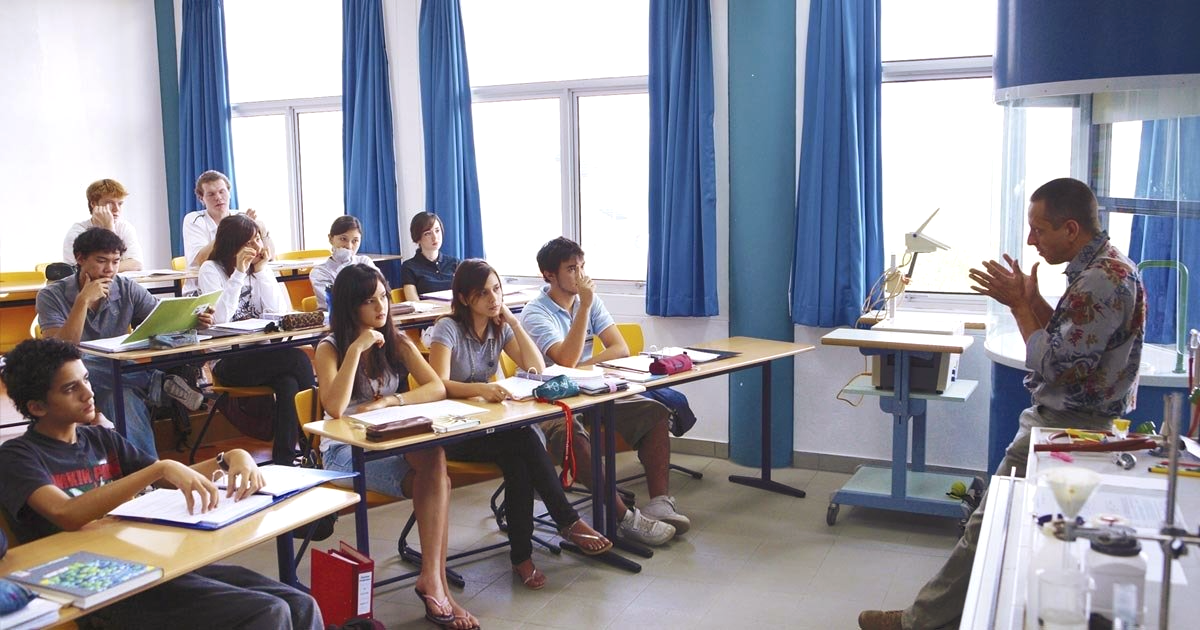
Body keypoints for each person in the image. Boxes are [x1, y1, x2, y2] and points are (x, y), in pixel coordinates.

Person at [858, 178, 1146, 630]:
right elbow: (1069, 340)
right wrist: (1033, 300)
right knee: (999, 523)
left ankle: (919, 622)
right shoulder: (1108, 267)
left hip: (1067, 424)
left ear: (1071, 229)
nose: (1031, 240)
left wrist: (1018, 306)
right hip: (1074, 420)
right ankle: (951, 615)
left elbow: (1057, 365)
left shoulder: (1100, 280)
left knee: (989, 523)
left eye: (1040, 230)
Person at [0, 338, 322, 629]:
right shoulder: (17, 457)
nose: (88, 393)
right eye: (71, 389)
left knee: (299, 603)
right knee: (268, 612)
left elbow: (175, 477)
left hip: (146, 565)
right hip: (96, 590)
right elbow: (66, 513)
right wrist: (159, 469)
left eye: (86, 379)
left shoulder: (99, 439)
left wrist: (232, 457)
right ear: (37, 406)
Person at [428, 259, 614, 589]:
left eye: (496, 290)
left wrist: (513, 321)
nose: (493, 298)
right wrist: (480, 389)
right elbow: (438, 385)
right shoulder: (448, 328)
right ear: (465, 298)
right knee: (524, 441)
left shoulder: (498, 328)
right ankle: (565, 522)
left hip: (490, 427)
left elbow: (536, 367)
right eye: (483, 293)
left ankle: (523, 556)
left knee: (519, 460)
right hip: (455, 430)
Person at [315, 264, 477, 630]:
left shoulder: (396, 340)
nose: (381, 307)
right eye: (369, 301)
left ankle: (432, 580)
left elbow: (436, 386)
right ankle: (436, 585)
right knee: (438, 481)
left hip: (387, 439)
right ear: (350, 305)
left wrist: (393, 401)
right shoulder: (330, 348)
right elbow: (335, 408)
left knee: (434, 457)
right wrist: (356, 349)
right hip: (345, 453)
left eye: (383, 297)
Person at [520, 237, 685, 546]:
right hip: (547, 401)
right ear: (549, 275)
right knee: (571, 432)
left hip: (587, 389)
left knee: (653, 411)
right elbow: (565, 360)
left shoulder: (588, 300)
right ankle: (626, 518)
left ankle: (660, 502)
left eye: (582, 267)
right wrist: (584, 307)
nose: (581, 276)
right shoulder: (535, 313)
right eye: (571, 269)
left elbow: (619, 348)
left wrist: (581, 371)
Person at [38, 228, 208, 457]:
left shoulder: (125, 287)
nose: (110, 269)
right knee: (78, 360)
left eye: (116, 261)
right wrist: (82, 301)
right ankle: (156, 382)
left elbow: (164, 320)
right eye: (101, 261)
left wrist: (197, 320)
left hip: (115, 379)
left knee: (123, 398)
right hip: (70, 381)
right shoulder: (51, 295)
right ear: (80, 258)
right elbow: (60, 351)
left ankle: (148, 472)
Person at [198, 214, 314, 465]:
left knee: (288, 383)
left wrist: (261, 271)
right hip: (229, 360)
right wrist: (239, 273)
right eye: (249, 242)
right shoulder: (211, 269)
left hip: (262, 354)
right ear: (233, 245)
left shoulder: (258, 268)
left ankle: (286, 458)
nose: (257, 247)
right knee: (298, 360)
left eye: (258, 239)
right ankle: (315, 444)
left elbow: (279, 312)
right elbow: (220, 318)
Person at [182, 170, 275, 292]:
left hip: (240, 286)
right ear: (201, 198)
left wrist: (262, 230)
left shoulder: (240, 216)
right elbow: (202, 260)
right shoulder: (194, 219)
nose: (218, 198)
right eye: (211, 194)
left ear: (229, 193)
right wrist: (229, 230)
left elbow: (270, 257)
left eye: (222, 191)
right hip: (202, 288)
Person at [61, 178, 143, 272]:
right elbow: (82, 271)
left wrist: (101, 268)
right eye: (110, 203)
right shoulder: (78, 232)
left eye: (120, 204)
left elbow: (136, 264)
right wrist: (108, 229)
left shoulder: (124, 227)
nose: (116, 209)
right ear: (94, 204)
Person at [309, 215, 379, 311]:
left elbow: (379, 291)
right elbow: (336, 303)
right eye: (343, 239)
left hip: (368, 314)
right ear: (330, 239)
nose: (349, 246)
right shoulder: (320, 272)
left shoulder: (365, 262)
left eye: (355, 241)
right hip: (335, 317)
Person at [400, 212, 460, 302]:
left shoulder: (455, 263)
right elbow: (414, 302)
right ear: (417, 238)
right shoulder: (409, 267)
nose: (435, 237)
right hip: (426, 310)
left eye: (437, 231)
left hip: (455, 310)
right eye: (427, 233)